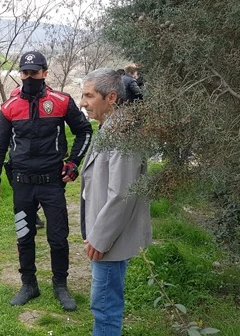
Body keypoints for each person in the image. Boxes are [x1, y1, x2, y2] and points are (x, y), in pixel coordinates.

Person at [0, 51, 93, 311]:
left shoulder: (61, 101)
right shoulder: (9, 107)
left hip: (51, 183)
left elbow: (85, 131)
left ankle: (60, 285)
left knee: (58, 238)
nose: (30, 77)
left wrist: (73, 163)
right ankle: (29, 284)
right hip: (22, 183)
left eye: (35, 72)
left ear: (45, 73)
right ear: (20, 74)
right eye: (25, 73)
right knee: (24, 235)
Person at [78, 68, 152, 335]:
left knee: (105, 306)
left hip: (109, 240)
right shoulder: (111, 127)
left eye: (89, 96)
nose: (83, 102)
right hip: (105, 236)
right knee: (104, 304)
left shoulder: (122, 134)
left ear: (111, 98)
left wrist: (100, 237)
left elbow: (122, 193)